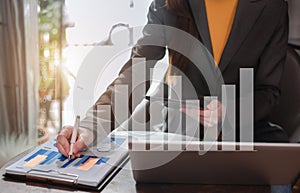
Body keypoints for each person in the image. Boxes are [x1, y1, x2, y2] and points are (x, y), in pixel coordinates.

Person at [57, 0, 290, 191]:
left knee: (279, 183)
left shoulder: (273, 7)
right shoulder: (167, 4)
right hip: (182, 136)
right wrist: (90, 127)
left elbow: (268, 91)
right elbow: (136, 74)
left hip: (246, 135)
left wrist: (229, 110)